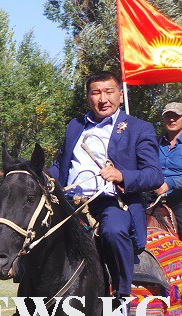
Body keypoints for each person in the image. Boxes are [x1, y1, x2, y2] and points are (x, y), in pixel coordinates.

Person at [48, 71, 163, 304]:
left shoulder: (139, 128)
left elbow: (154, 175)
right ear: (88, 97)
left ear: (120, 95)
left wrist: (122, 175)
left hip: (112, 202)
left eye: (109, 92)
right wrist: (38, 178)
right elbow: (60, 166)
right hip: (69, 202)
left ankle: (121, 296)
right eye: (96, 93)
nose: (103, 99)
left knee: (114, 231)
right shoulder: (75, 126)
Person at [154, 102, 182, 235]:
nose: (171, 119)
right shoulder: (155, 143)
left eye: (176, 116)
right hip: (153, 197)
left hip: (179, 199)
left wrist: (169, 184)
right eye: (168, 116)